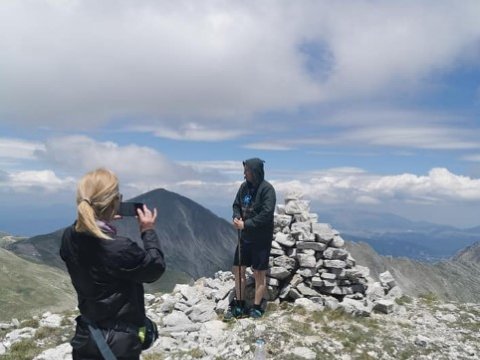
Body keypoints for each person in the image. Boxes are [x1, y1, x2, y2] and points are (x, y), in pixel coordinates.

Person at [60, 168, 165, 360]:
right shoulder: (119, 247)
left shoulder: (69, 237)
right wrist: (147, 230)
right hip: (119, 342)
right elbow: (154, 269)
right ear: (113, 202)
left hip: (86, 334)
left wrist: (101, 216)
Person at [225, 158, 276, 320]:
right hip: (244, 237)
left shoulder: (267, 190)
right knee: (238, 269)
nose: (244, 173)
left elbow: (266, 215)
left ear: (255, 172)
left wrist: (245, 224)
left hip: (260, 239)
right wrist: (236, 216)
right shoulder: (243, 187)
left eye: (247, 170)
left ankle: (256, 306)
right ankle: (239, 304)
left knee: (259, 273)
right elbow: (236, 205)